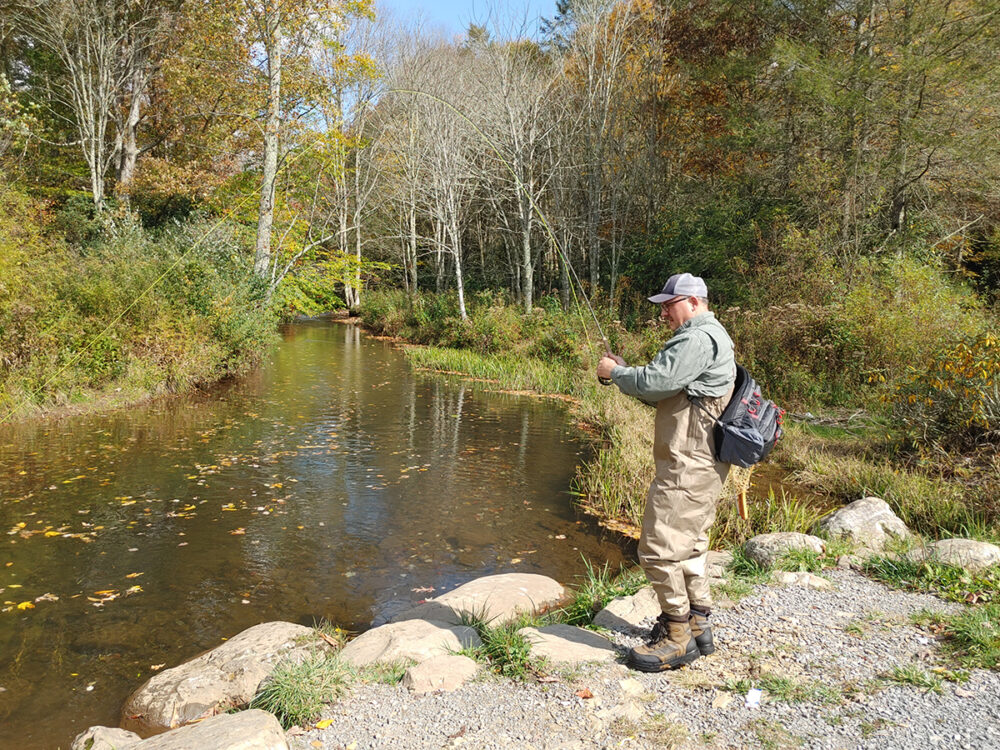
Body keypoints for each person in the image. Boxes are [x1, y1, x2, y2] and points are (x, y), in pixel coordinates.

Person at [596, 273, 736, 671]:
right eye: (662, 306)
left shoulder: (696, 337)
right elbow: (671, 393)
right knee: (690, 546)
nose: (663, 314)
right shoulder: (715, 335)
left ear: (693, 302)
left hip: (688, 464)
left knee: (657, 550)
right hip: (703, 462)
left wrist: (615, 372)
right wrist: (627, 375)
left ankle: (677, 639)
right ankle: (698, 624)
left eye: (669, 305)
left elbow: (658, 380)